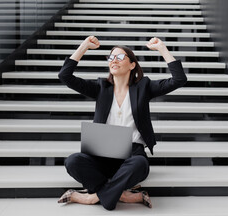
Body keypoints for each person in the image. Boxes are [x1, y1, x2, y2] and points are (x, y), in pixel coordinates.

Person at [58, 36, 187, 210]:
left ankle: (90, 198)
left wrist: (162, 49)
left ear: (132, 65)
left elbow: (179, 79)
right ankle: (125, 195)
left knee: (140, 164)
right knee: (73, 161)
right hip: (101, 154)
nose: (114, 60)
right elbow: (64, 76)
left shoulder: (144, 86)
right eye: (111, 57)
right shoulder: (100, 87)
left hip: (132, 155)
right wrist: (83, 47)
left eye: (119, 57)